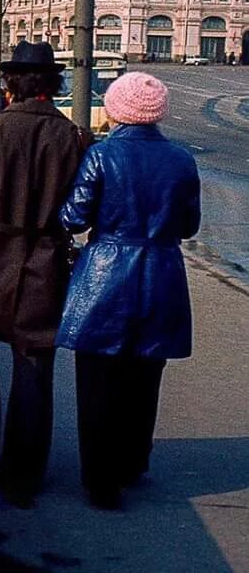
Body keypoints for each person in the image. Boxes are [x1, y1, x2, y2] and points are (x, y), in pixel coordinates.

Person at [0, 41, 86, 506]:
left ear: (10, 85)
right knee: (34, 366)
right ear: (53, 85)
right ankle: (23, 474)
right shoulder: (74, 138)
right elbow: (80, 214)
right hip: (44, 260)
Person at [57, 72, 200, 510]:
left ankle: (101, 481)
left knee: (98, 378)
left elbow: (74, 217)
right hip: (162, 273)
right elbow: (189, 226)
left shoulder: (102, 155)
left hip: (106, 275)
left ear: (118, 111)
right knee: (144, 377)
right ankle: (133, 462)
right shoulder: (181, 159)